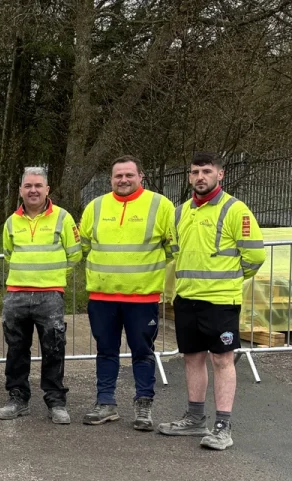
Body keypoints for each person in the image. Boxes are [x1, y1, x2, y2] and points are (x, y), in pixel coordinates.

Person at [158, 152, 265, 450]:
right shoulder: (179, 212)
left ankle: (223, 426)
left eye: (206, 171)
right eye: (194, 172)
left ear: (221, 174)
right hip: (187, 299)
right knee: (192, 358)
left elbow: (255, 257)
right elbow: (176, 253)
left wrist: (229, 280)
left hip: (220, 302)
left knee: (222, 360)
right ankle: (195, 419)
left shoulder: (235, 210)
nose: (200, 176)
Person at [78, 156, 175, 431]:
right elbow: (84, 245)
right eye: (118, 175)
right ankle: (105, 403)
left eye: (129, 175)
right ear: (111, 179)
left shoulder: (160, 205)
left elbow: (172, 247)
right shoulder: (95, 207)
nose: (123, 180)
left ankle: (144, 405)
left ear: (140, 176)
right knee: (105, 351)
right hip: (103, 296)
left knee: (142, 352)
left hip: (141, 298)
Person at [0, 167, 83, 424]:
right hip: (16, 295)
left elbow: (74, 254)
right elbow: (10, 254)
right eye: (28, 186)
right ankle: (17, 398)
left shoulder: (63, 218)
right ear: (21, 190)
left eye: (38, 186)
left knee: (54, 348)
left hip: (50, 296)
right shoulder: (11, 221)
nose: (33, 190)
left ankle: (56, 402)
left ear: (47, 189)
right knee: (16, 349)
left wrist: (52, 278)